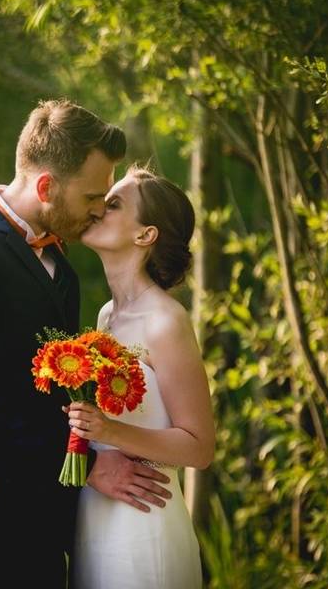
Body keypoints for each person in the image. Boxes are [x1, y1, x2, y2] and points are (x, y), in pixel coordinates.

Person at [0, 100, 172, 588]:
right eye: (92, 196)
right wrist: (91, 464)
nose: (100, 209)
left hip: (42, 521)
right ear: (45, 186)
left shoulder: (63, 267)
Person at [66, 166, 215, 588]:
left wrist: (109, 430)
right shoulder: (105, 317)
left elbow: (200, 446)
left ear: (145, 235)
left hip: (144, 521)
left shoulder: (166, 321)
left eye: (113, 205)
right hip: (95, 516)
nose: (97, 210)